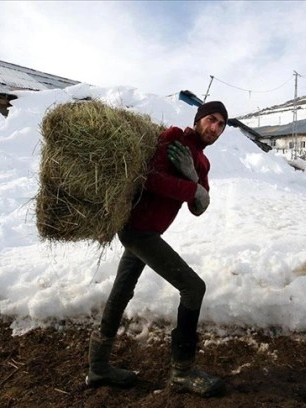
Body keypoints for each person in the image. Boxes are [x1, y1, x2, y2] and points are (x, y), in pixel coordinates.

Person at [86, 101, 229, 397]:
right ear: (199, 119)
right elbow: (148, 178)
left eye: (221, 125)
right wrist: (192, 188)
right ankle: (183, 371)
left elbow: (199, 208)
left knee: (122, 291)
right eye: (211, 120)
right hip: (137, 230)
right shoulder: (172, 138)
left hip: (147, 232)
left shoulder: (202, 162)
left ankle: (98, 366)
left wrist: (192, 177)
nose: (214, 128)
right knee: (193, 288)